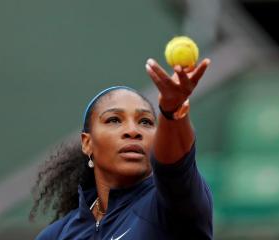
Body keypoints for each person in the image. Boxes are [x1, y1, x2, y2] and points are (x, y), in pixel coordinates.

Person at [29, 57, 213, 239]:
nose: (133, 131)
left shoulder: (173, 205)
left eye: (145, 122)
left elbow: (176, 168)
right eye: (114, 120)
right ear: (87, 143)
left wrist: (172, 111)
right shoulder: (56, 235)